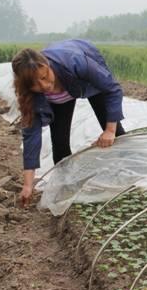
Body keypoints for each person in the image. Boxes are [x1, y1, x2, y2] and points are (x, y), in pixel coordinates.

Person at [12, 39, 125, 207]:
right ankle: (69, 191)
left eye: (44, 77)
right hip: (61, 100)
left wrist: (109, 130)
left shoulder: (75, 62)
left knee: (117, 135)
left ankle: (126, 179)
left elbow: (112, 89)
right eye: (35, 85)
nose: (44, 86)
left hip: (87, 83)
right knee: (59, 144)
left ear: (47, 64)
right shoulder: (31, 96)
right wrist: (28, 185)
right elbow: (31, 137)